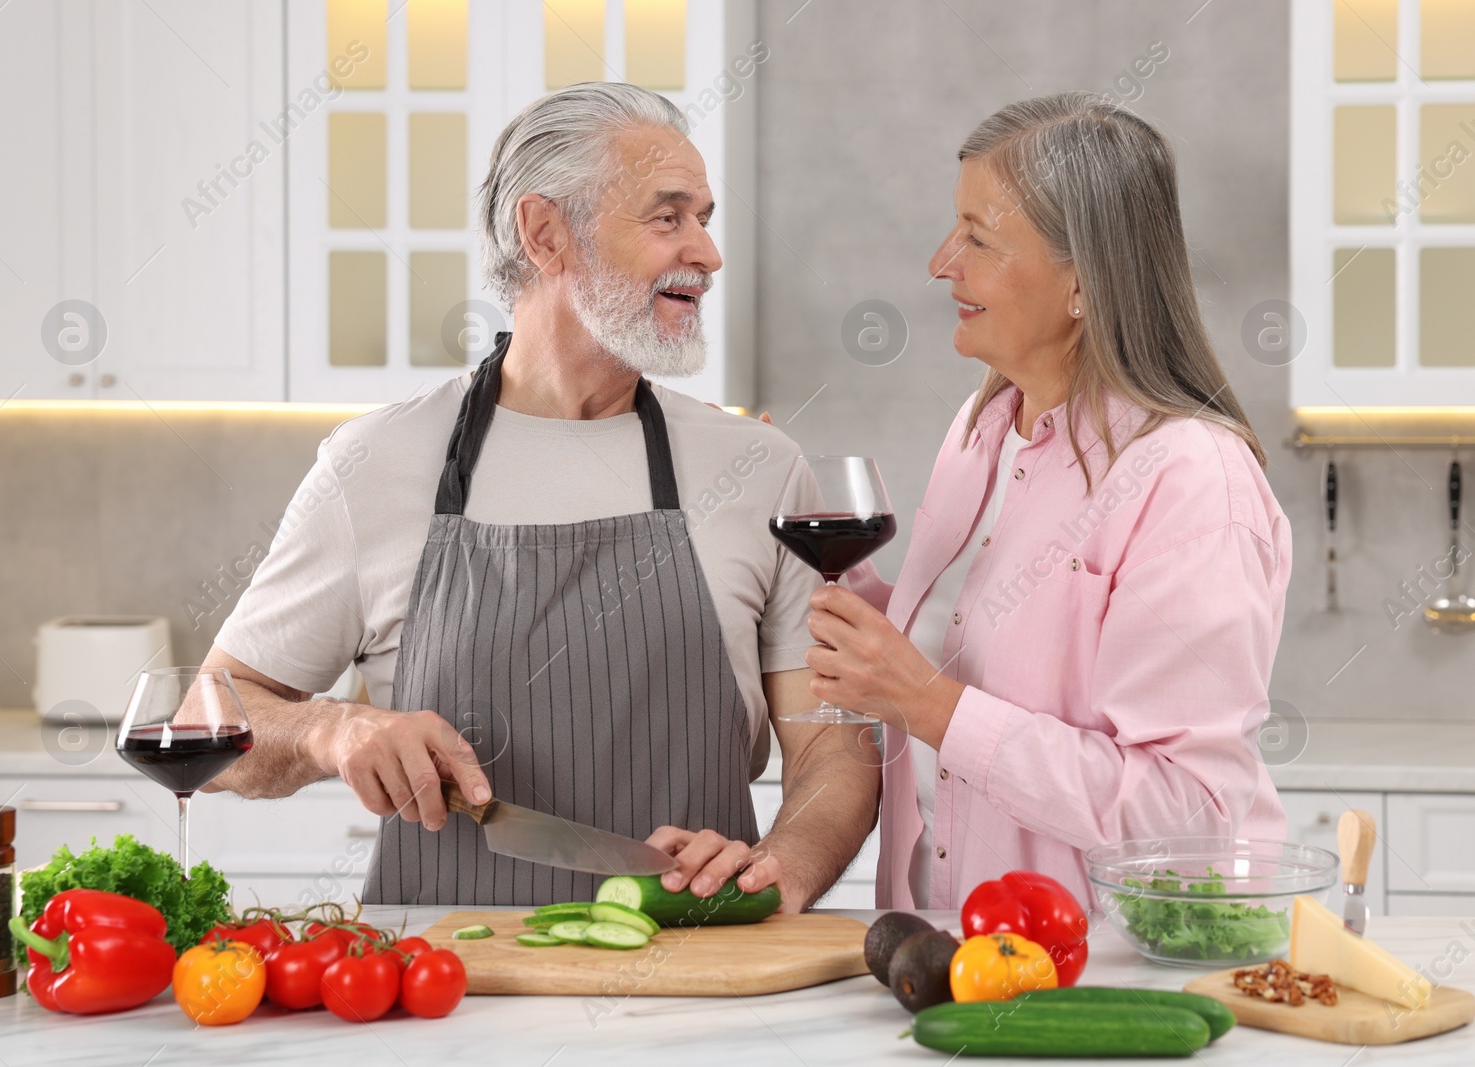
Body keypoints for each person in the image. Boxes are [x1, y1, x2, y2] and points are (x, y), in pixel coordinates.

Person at [202, 82, 879, 909]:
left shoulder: (759, 466)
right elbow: (214, 723)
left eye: (704, 216)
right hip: (445, 997)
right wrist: (328, 728)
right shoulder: (376, 462)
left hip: (698, 992)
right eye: (669, 218)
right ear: (546, 232)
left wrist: (781, 867)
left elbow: (833, 754)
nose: (707, 252)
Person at [804, 91, 1290, 909]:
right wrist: (857, 597)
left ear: (1083, 284)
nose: (939, 261)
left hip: (1103, 978)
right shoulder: (983, 426)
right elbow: (974, 644)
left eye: (980, 239)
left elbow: (1188, 822)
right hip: (941, 942)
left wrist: (928, 705)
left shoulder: (1188, 479)